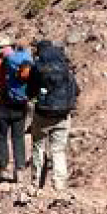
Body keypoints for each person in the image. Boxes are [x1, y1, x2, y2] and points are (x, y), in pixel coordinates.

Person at [28, 39, 80, 191]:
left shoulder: (37, 67)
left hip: (43, 113)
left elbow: (30, 91)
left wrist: (36, 98)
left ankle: (37, 183)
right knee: (58, 150)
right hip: (63, 114)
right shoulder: (65, 67)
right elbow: (76, 90)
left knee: (39, 147)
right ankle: (59, 185)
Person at [0, 37, 31, 182]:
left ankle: (3, 169)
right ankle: (20, 169)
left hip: (4, 104)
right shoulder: (24, 59)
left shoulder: (4, 63)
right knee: (18, 137)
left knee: (2, 136)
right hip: (21, 104)